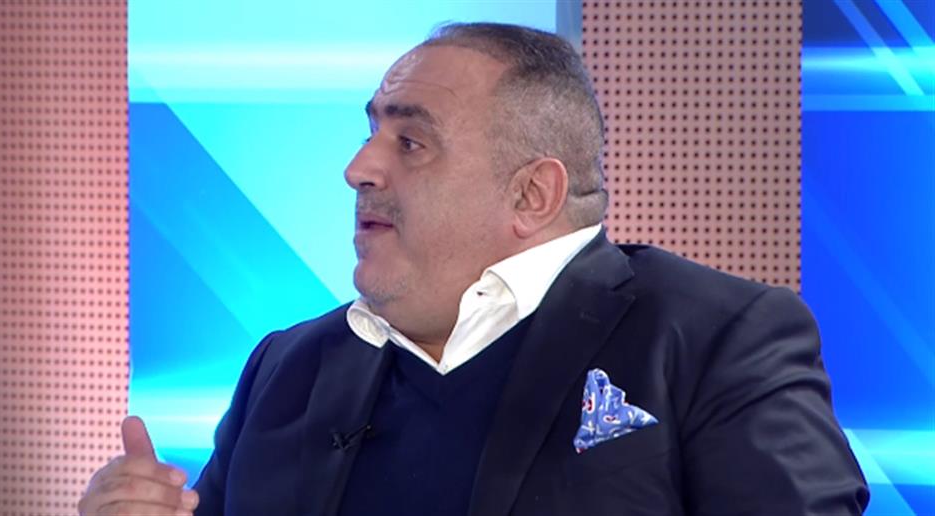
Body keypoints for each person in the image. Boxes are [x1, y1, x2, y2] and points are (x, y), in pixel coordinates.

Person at [78, 22, 869, 516]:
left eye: (410, 142)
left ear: (530, 194)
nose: (358, 168)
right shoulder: (288, 367)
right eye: (369, 134)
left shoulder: (713, 338)